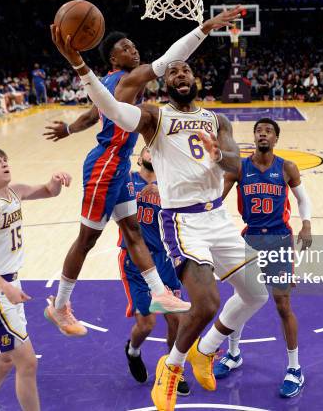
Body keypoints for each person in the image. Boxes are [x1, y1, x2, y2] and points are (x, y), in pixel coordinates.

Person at [51, 27, 269, 411]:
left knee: (257, 294)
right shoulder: (154, 117)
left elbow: (237, 165)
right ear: (165, 82)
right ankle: (171, 370)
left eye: (187, 71)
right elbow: (111, 108)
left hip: (217, 218)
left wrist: (219, 156)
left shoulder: (218, 122)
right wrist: (79, 65)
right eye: (174, 72)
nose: (182, 74)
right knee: (205, 304)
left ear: (195, 79)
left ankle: (206, 351)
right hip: (183, 223)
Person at [43, 7, 244, 336]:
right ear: (112, 59)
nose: (133, 49)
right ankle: (61, 305)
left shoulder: (109, 83)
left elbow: (94, 116)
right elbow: (168, 60)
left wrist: (67, 129)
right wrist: (203, 29)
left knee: (133, 232)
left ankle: (159, 293)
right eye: (125, 47)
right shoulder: (127, 78)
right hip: (105, 165)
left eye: (134, 45)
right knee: (87, 239)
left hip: (118, 163)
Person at [213, 118, 312, 398]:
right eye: (259, 131)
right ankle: (233, 354)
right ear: (254, 137)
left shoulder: (287, 167)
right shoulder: (240, 168)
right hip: (250, 237)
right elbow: (216, 199)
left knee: (282, 304)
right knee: (241, 298)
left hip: (279, 238)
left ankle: (295, 368)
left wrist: (307, 225)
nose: (263, 134)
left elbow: (303, 199)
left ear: (276, 139)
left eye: (268, 131)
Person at [0, 147, 72, 411]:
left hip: (9, 286)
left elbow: (48, 191)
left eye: (5, 160)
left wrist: (56, 180)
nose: (4, 164)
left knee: (2, 363)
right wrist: (4, 287)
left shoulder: (16, 192)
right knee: (27, 362)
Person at [119, 147, 189, 396]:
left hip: (164, 259)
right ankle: (133, 351)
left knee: (176, 320)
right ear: (140, 158)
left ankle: (173, 368)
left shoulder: (169, 184)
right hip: (135, 259)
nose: (151, 153)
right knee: (147, 324)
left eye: (155, 151)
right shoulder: (126, 181)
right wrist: (139, 195)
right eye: (147, 150)